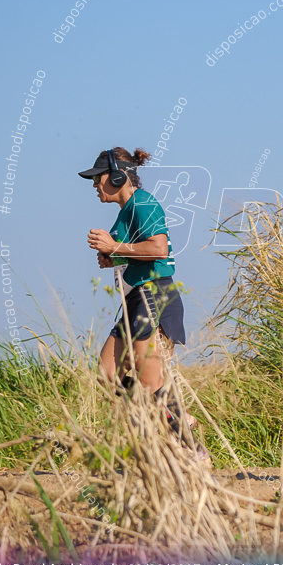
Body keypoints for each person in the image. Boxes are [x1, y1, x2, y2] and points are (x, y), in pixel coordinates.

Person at [79, 147, 206, 461]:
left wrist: (114, 245)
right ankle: (174, 419)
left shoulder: (143, 203)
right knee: (107, 374)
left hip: (154, 294)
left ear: (119, 175)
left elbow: (159, 249)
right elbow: (140, 250)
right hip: (137, 296)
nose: (95, 185)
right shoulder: (127, 210)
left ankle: (191, 450)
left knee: (150, 386)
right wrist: (114, 258)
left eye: (98, 178)